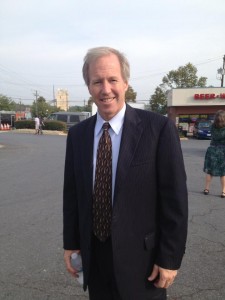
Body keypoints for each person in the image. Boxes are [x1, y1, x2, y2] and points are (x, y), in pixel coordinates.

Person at [63, 46, 188, 300]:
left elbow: (174, 201)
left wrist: (170, 258)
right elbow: (72, 194)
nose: (105, 89)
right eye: (97, 81)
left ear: (126, 83)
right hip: (94, 258)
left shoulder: (158, 129)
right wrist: (71, 243)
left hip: (144, 264)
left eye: (112, 80)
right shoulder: (78, 135)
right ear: (89, 87)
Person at [203, 110, 225, 198]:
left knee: (209, 171)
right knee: (223, 173)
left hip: (212, 149)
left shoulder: (213, 127)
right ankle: (223, 191)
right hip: (223, 151)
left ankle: (206, 189)